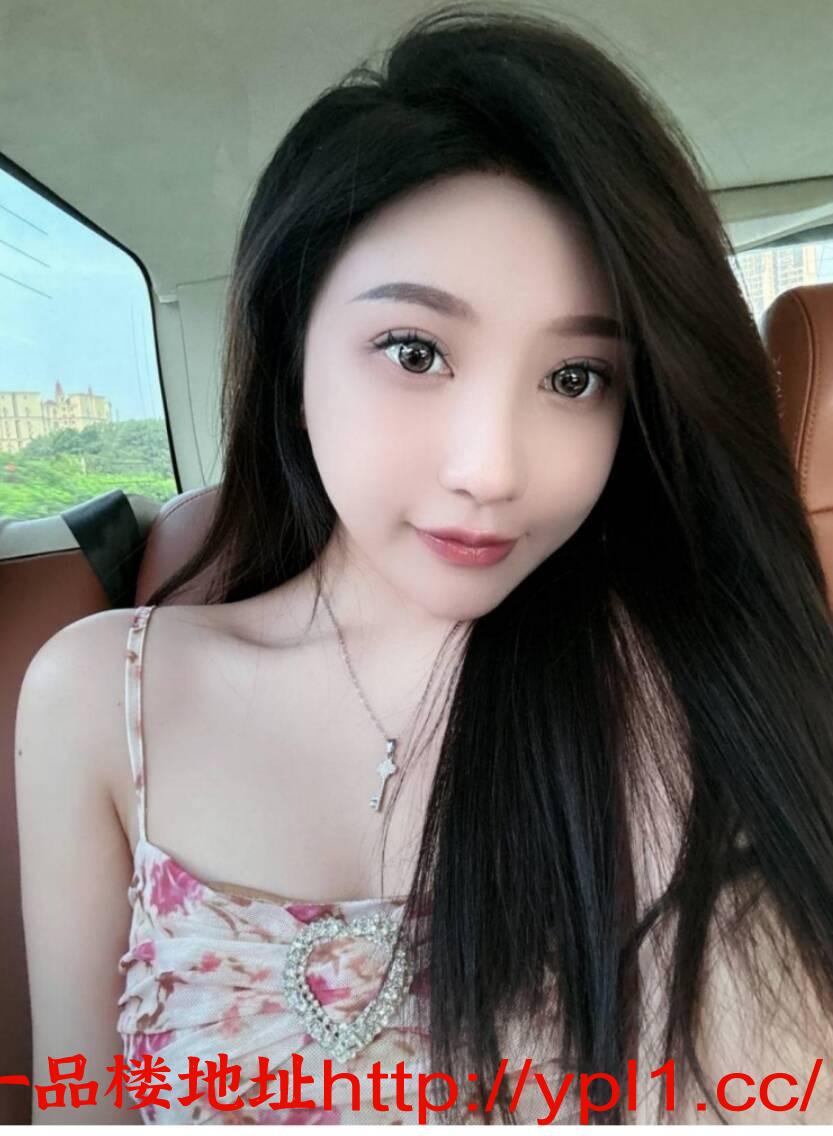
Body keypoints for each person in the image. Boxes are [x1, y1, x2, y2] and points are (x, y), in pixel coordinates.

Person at [15, 2, 833, 1125]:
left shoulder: (699, 692)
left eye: (575, 378)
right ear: (293, 346)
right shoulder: (101, 697)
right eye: (415, 351)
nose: (491, 469)